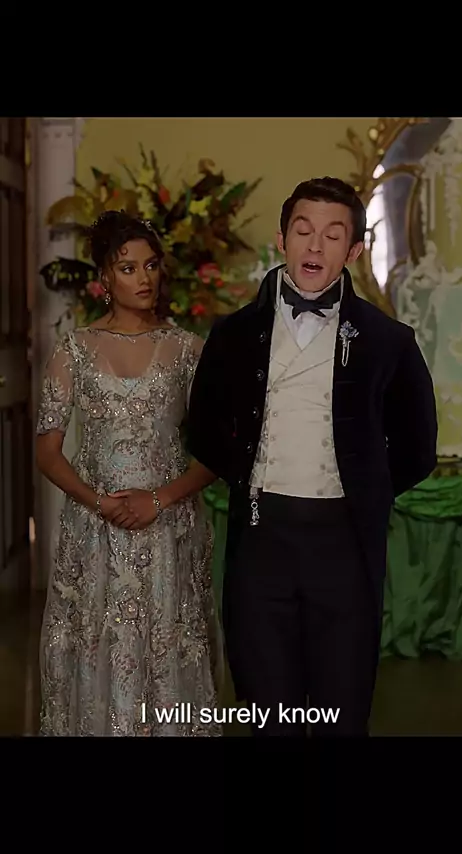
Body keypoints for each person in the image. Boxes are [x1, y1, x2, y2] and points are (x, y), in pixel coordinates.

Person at [187, 177, 438, 737]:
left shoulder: (389, 341)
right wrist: (248, 476)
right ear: (282, 239)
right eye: (303, 231)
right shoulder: (233, 333)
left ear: (354, 250)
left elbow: (418, 447)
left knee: (341, 712)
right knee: (268, 712)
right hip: (261, 539)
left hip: (344, 544)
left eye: (332, 234)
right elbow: (201, 428)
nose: (315, 246)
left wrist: (364, 490)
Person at [36, 210, 222, 736]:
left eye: (151, 265)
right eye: (127, 268)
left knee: (167, 646)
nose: (144, 278)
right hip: (96, 533)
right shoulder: (74, 350)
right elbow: (47, 452)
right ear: (104, 278)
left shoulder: (188, 350)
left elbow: (218, 454)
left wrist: (159, 499)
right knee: (97, 646)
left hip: (167, 529)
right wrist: (99, 501)